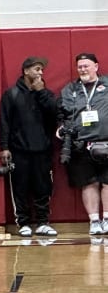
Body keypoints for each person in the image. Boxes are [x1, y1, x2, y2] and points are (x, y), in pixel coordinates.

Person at [0, 56, 58, 237]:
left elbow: (55, 115)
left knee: (43, 187)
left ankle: (42, 222)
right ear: (26, 71)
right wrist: (4, 147)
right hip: (19, 151)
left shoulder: (46, 94)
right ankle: (23, 222)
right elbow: (4, 122)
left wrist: (42, 93)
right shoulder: (12, 94)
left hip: (42, 150)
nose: (40, 73)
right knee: (20, 187)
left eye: (41, 70)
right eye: (37, 69)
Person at [58, 52, 108, 235]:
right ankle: (94, 221)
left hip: (105, 142)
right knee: (89, 183)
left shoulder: (107, 85)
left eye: (86, 65)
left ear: (96, 66)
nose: (83, 69)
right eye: (79, 66)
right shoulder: (70, 90)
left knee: (107, 182)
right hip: (81, 146)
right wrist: (61, 129)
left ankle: (107, 218)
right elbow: (61, 114)